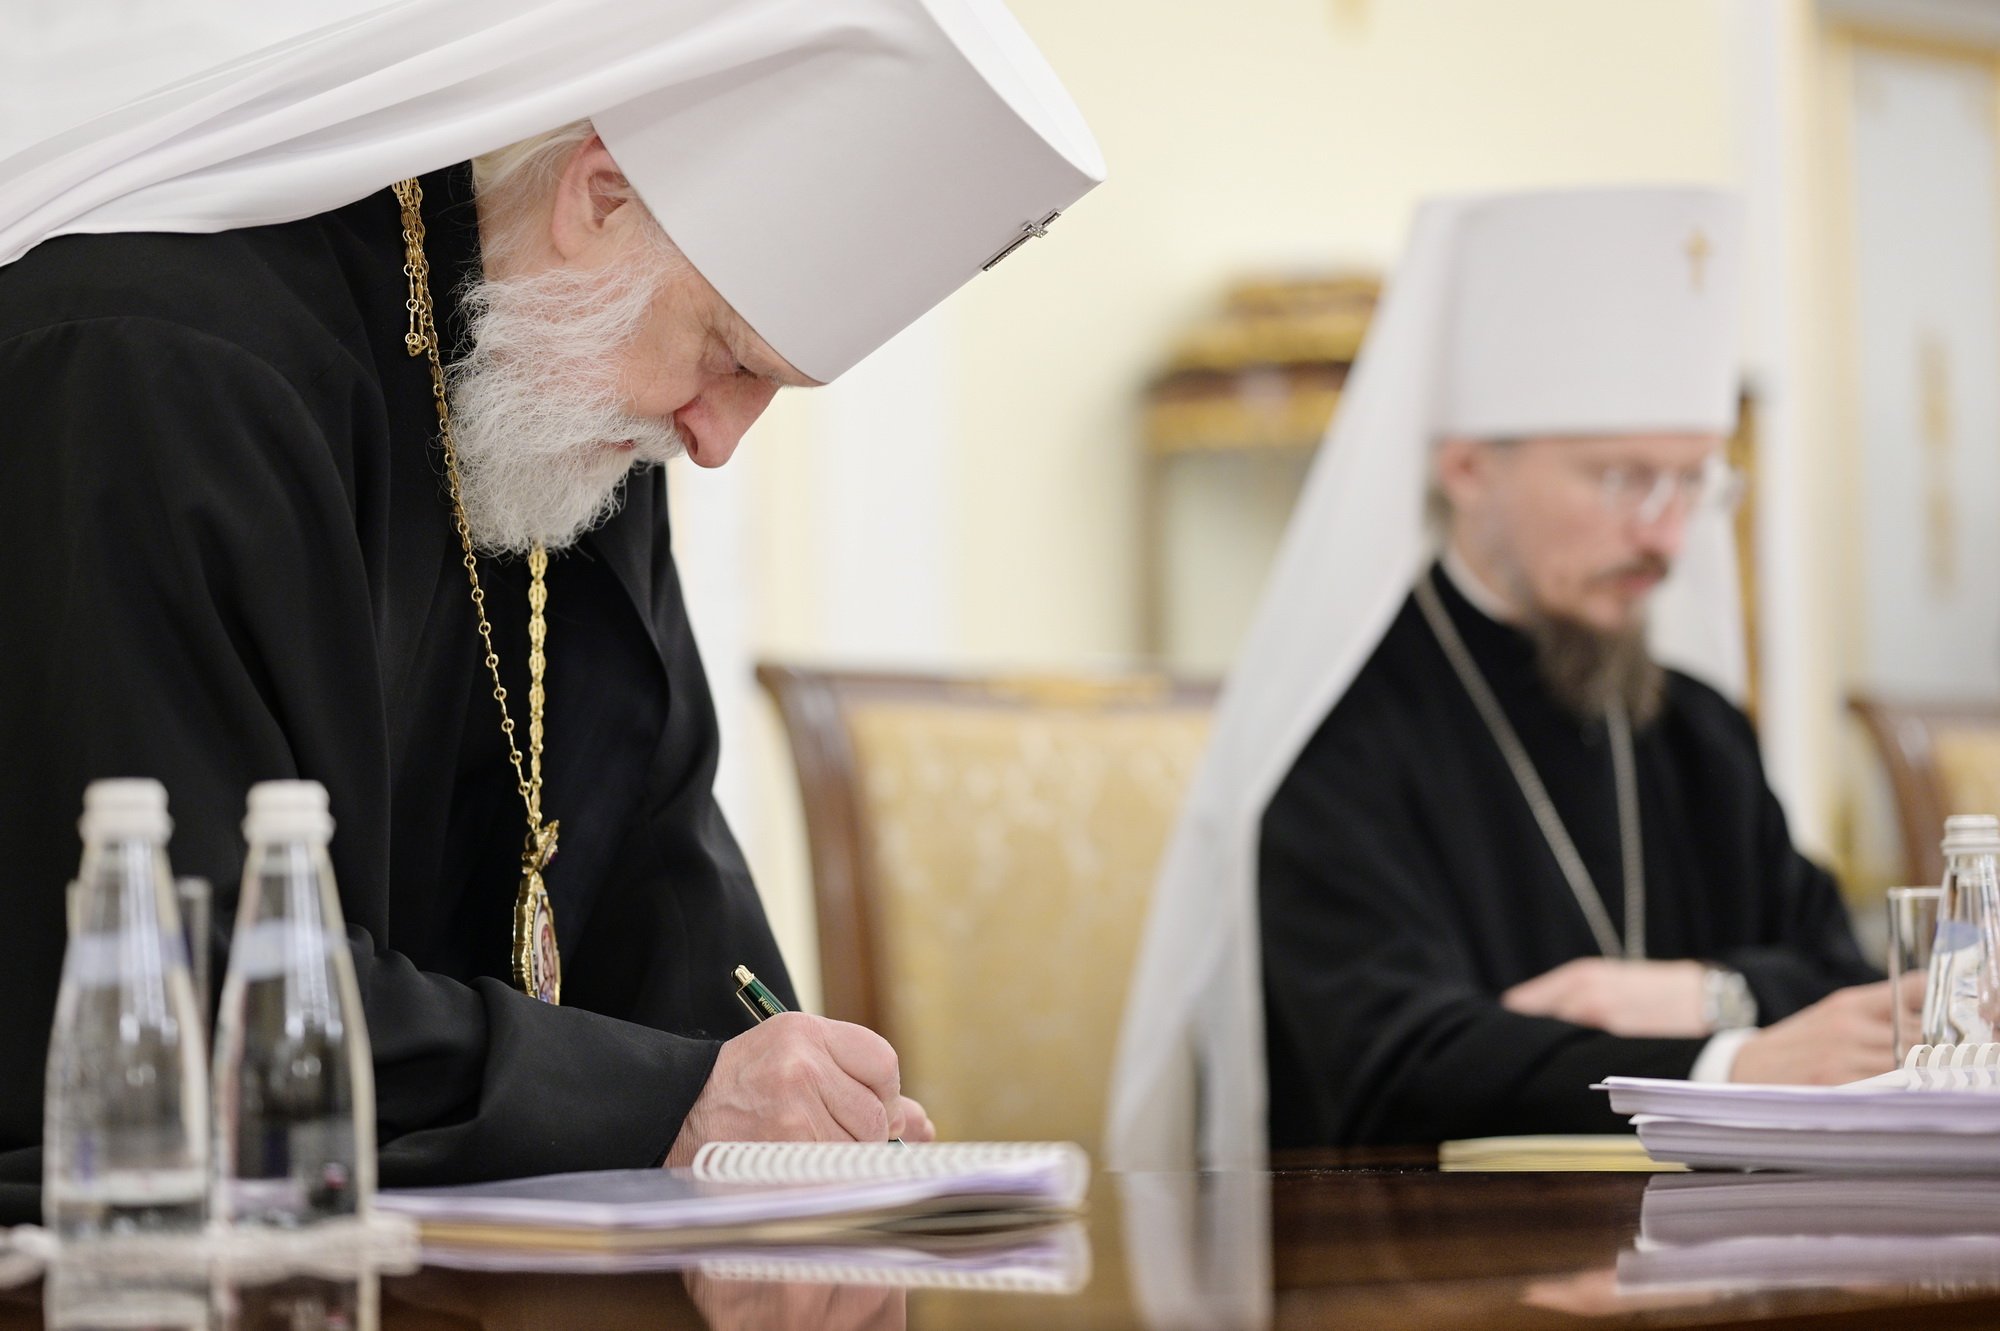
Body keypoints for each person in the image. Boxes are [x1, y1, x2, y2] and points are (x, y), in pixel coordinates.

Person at [0, 0, 1103, 1214]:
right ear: (600, 196)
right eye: (731, 355)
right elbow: (175, 1003)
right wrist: (661, 1100)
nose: (719, 439)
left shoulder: (557, 405)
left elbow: (662, 878)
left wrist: (803, 1107)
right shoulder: (158, 364)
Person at [1108, 188, 1887, 1166]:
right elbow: (1388, 1059)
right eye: (1619, 477)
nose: (1665, 534)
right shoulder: (1336, 722)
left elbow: (1844, 978)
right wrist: (1729, 1062)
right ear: (1467, 468)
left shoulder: (1689, 725)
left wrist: (1702, 991)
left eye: (1691, 480)